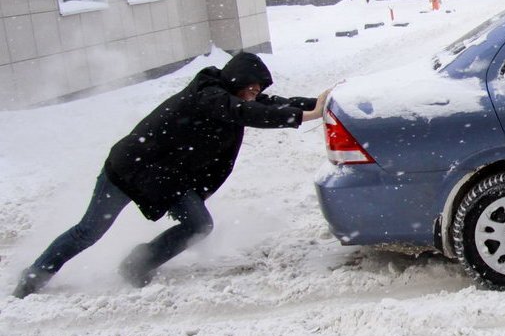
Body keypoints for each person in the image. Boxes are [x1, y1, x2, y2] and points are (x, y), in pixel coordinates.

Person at [12, 52, 330, 298]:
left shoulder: (231, 95)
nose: (254, 94)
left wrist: (316, 102)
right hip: (128, 169)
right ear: (236, 81)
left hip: (164, 178)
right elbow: (246, 112)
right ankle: (33, 278)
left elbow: (266, 103)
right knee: (88, 232)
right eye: (251, 88)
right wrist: (304, 116)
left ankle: (136, 265)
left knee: (198, 224)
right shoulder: (209, 96)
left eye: (257, 90)